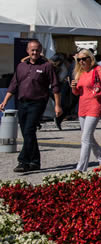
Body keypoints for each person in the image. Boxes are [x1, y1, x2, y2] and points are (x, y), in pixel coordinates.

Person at [0, 40, 61, 173]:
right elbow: (13, 84)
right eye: (32, 50)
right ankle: (35, 161)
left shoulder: (46, 66)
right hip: (22, 103)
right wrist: (5, 101)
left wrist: (57, 105)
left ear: (41, 51)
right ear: (27, 51)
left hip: (37, 103)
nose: (34, 52)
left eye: (37, 50)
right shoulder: (21, 66)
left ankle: (23, 161)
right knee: (28, 133)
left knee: (28, 130)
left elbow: (55, 86)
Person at [70, 49, 101, 172]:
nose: (81, 61)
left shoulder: (97, 69)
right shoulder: (79, 72)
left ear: (90, 58)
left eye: (84, 59)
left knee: (85, 138)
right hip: (82, 106)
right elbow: (78, 92)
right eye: (79, 59)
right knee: (88, 137)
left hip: (95, 105)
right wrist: (73, 88)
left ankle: (81, 169)